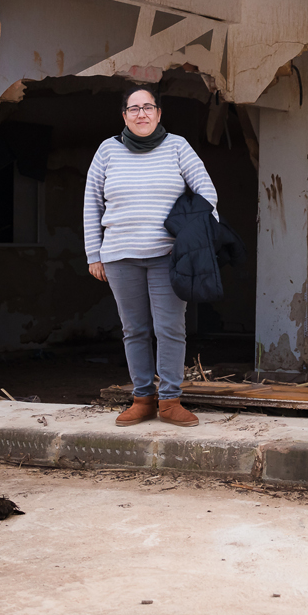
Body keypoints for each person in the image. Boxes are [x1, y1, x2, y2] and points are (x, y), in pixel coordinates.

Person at [84, 83, 217, 427]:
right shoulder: (107, 151)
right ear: (124, 116)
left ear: (159, 113)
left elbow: (206, 191)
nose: (141, 114)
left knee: (170, 328)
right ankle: (143, 398)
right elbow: (91, 204)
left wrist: (200, 234)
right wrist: (93, 254)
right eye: (134, 108)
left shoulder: (178, 147)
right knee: (134, 330)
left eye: (148, 107)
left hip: (168, 256)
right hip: (118, 255)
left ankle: (170, 401)